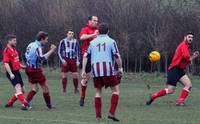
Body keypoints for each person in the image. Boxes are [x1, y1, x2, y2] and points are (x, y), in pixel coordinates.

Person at [82, 23, 123, 121]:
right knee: (116, 91)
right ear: (108, 31)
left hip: (95, 70)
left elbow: (85, 56)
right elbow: (116, 56)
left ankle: (98, 116)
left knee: (98, 92)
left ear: (98, 31)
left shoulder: (92, 42)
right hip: (107, 69)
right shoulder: (111, 41)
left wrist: (83, 70)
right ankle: (111, 113)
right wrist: (120, 67)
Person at [146, 32, 199, 106]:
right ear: (185, 38)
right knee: (171, 90)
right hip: (174, 70)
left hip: (180, 70)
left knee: (188, 84)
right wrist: (193, 57)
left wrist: (193, 56)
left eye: (192, 37)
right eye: (189, 37)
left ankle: (180, 102)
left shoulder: (186, 46)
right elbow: (186, 57)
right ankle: (153, 96)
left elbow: (186, 59)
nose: (191, 39)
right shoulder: (183, 45)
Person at [25, 31, 56, 109]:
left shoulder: (31, 44)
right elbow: (42, 58)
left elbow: (27, 55)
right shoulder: (37, 47)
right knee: (45, 88)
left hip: (28, 69)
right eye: (46, 39)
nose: (47, 41)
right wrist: (52, 50)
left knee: (35, 88)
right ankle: (49, 106)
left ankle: (25, 103)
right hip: (35, 70)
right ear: (42, 39)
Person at [3, 34, 31, 110]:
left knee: (22, 90)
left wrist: (22, 67)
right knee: (18, 87)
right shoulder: (6, 51)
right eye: (14, 40)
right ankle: (25, 104)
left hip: (17, 72)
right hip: (11, 73)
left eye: (16, 40)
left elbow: (16, 61)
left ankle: (10, 103)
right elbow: (6, 63)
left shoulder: (14, 49)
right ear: (9, 41)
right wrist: (11, 73)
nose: (16, 42)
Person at [79, 15, 99, 106]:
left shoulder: (98, 30)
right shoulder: (85, 29)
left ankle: (98, 98)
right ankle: (82, 97)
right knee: (86, 79)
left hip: (97, 56)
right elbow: (82, 37)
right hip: (87, 56)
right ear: (89, 21)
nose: (96, 22)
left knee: (99, 76)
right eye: (94, 20)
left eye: (97, 20)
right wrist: (94, 35)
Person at [58, 29, 79, 94]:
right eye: (69, 33)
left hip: (73, 59)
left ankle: (76, 89)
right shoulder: (62, 41)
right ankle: (64, 89)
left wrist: (77, 61)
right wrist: (62, 60)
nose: (71, 35)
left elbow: (77, 51)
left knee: (75, 75)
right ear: (67, 34)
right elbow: (59, 51)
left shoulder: (75, 41)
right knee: (64, 75)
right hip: (65, 59)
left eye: (72, 34)